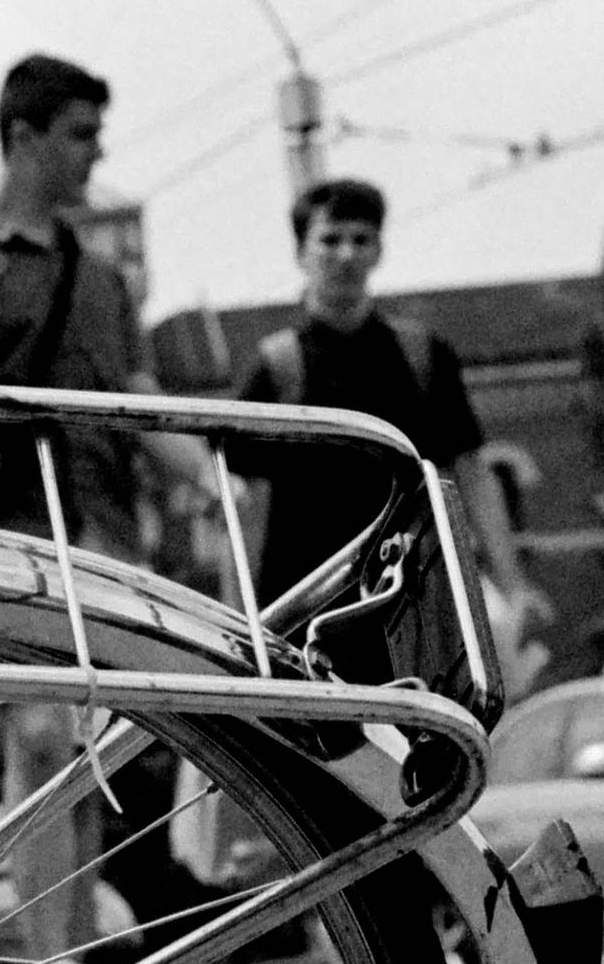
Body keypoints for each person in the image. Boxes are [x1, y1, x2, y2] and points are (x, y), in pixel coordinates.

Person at [0, 54, 216, 964]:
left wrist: (208, 474)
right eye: (78, 132)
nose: (95, 151)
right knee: (37, 747)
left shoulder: (101, 275)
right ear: (24, 136)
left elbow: (132, 391)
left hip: (104, 534)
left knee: (88, 760)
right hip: (9, 537)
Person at [230, 175, 547, 684]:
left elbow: (471, 473)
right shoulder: (276, 366)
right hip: (301, 607)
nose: (346, 254)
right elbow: (241, 504)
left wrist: (511, 582)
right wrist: (237, 616)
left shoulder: (422, 356)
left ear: (379, 249)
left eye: (361, 239)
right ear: (301, 252)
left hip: (408, 598)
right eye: (330, 240)